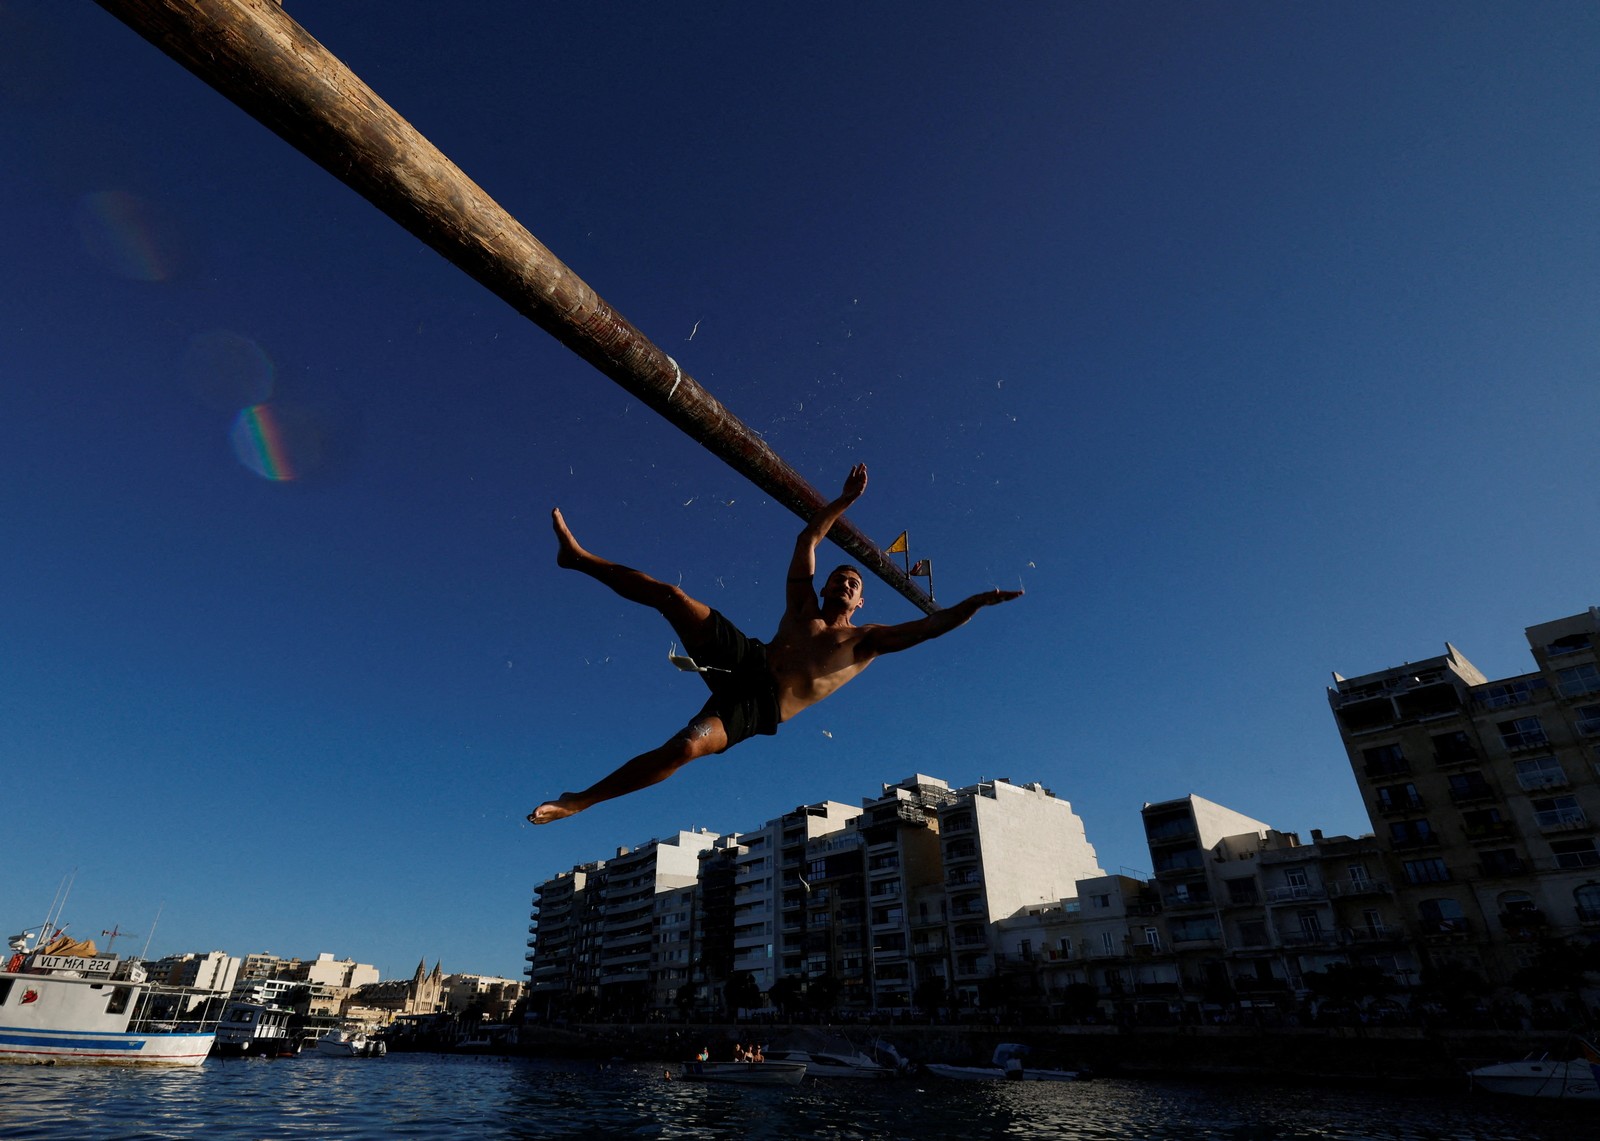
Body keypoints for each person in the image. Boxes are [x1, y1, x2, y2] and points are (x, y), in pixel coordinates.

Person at [529, 463, 1022, 824]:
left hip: (759, 706)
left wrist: (974, 602)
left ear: (861, 600)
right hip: (747, 656)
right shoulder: (802, 606)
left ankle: (580, 800)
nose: (845, 583)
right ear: (825, 587)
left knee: (683, 748)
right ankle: (577, 559)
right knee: (672, 596)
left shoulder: (867, 640)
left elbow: (933, 627)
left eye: (854, 582)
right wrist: (844, 502)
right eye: (838, 577)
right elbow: (807, 542)